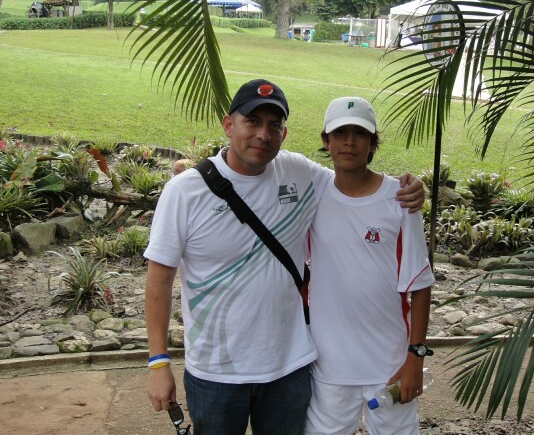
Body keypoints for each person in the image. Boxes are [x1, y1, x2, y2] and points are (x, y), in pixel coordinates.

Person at [143, 80, 424, 435]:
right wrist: (158, 362)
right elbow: (158, 280)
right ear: (229, 125)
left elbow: (355, 184)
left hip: (289, 370)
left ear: (284, 133)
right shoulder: (184, 192)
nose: (263, 134)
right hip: (216, 372)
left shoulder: (301, 174)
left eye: (273, 126)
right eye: (252, 122)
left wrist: (408, 190)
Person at [305, 97, 435, 435]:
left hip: (389, 364)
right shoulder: (313, 192)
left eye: (360, 134)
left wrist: (415, 358)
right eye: (340, 133)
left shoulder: (400, 199)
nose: (349, 142)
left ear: (373, 142)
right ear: (325, 141)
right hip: (329, 365)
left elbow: (419, 285)